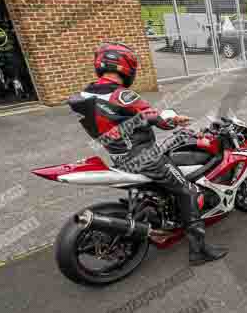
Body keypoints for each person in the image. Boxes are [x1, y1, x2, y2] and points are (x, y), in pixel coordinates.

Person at [68, 42, 228, 265]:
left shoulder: (82, 96)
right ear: (125, 67)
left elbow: (122, 118)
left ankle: (161, 219)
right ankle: (198, 251)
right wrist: (172, 120)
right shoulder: (122, 95)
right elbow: (156, 118)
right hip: (145, 158)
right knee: (188, 190)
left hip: (120, 158)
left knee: (165, 183)